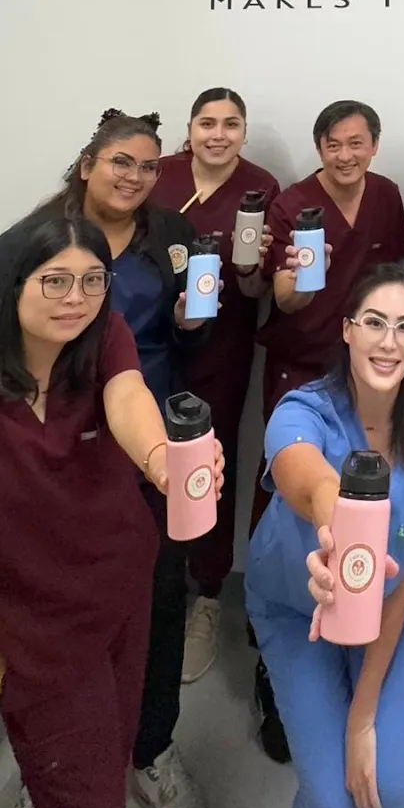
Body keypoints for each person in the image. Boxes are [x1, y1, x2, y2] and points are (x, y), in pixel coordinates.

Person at [0, 109, 214, 808]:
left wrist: (161, 460)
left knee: (119, 726)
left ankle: (134, 758)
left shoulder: (115, 319)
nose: (75, 298)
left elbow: (129, 393)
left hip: (125, 556)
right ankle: (48, 780)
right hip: (44, 617)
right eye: (55, 281)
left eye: (92, 282)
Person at [245, 264, 404, 808]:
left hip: (387, 609)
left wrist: (361, 719)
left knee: (397, 789)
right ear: (346, 331)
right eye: (373, 322)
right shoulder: (304, 409)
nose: (388, 341)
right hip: (296, 609)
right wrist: (336, 521)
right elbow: (303, 469)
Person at [250, 99, 404, 762]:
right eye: (332, 144)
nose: (345, 155)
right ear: (319, 149)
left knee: (365, 499)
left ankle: (352, 622)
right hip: (303, 367)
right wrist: (297, 286)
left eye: (356, 143)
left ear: (373, 146)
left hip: (367, 373)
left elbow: (394, 280)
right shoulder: (291, 206)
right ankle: (274, 658)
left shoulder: (387, 196)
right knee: (288, 495)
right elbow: (281, 295)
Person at [151, 87, 280, 684]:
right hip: (149, 341)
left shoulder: (261, 188)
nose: (218, 135)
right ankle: (146, 586)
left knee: (208, 470)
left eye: (231, 124)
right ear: (191, 129)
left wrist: (252, 272)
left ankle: (205, 595)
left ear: (244, 133)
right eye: (208, 123)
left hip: (219, 352)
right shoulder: (159, 173)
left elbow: (257, 290)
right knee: (139, 464)